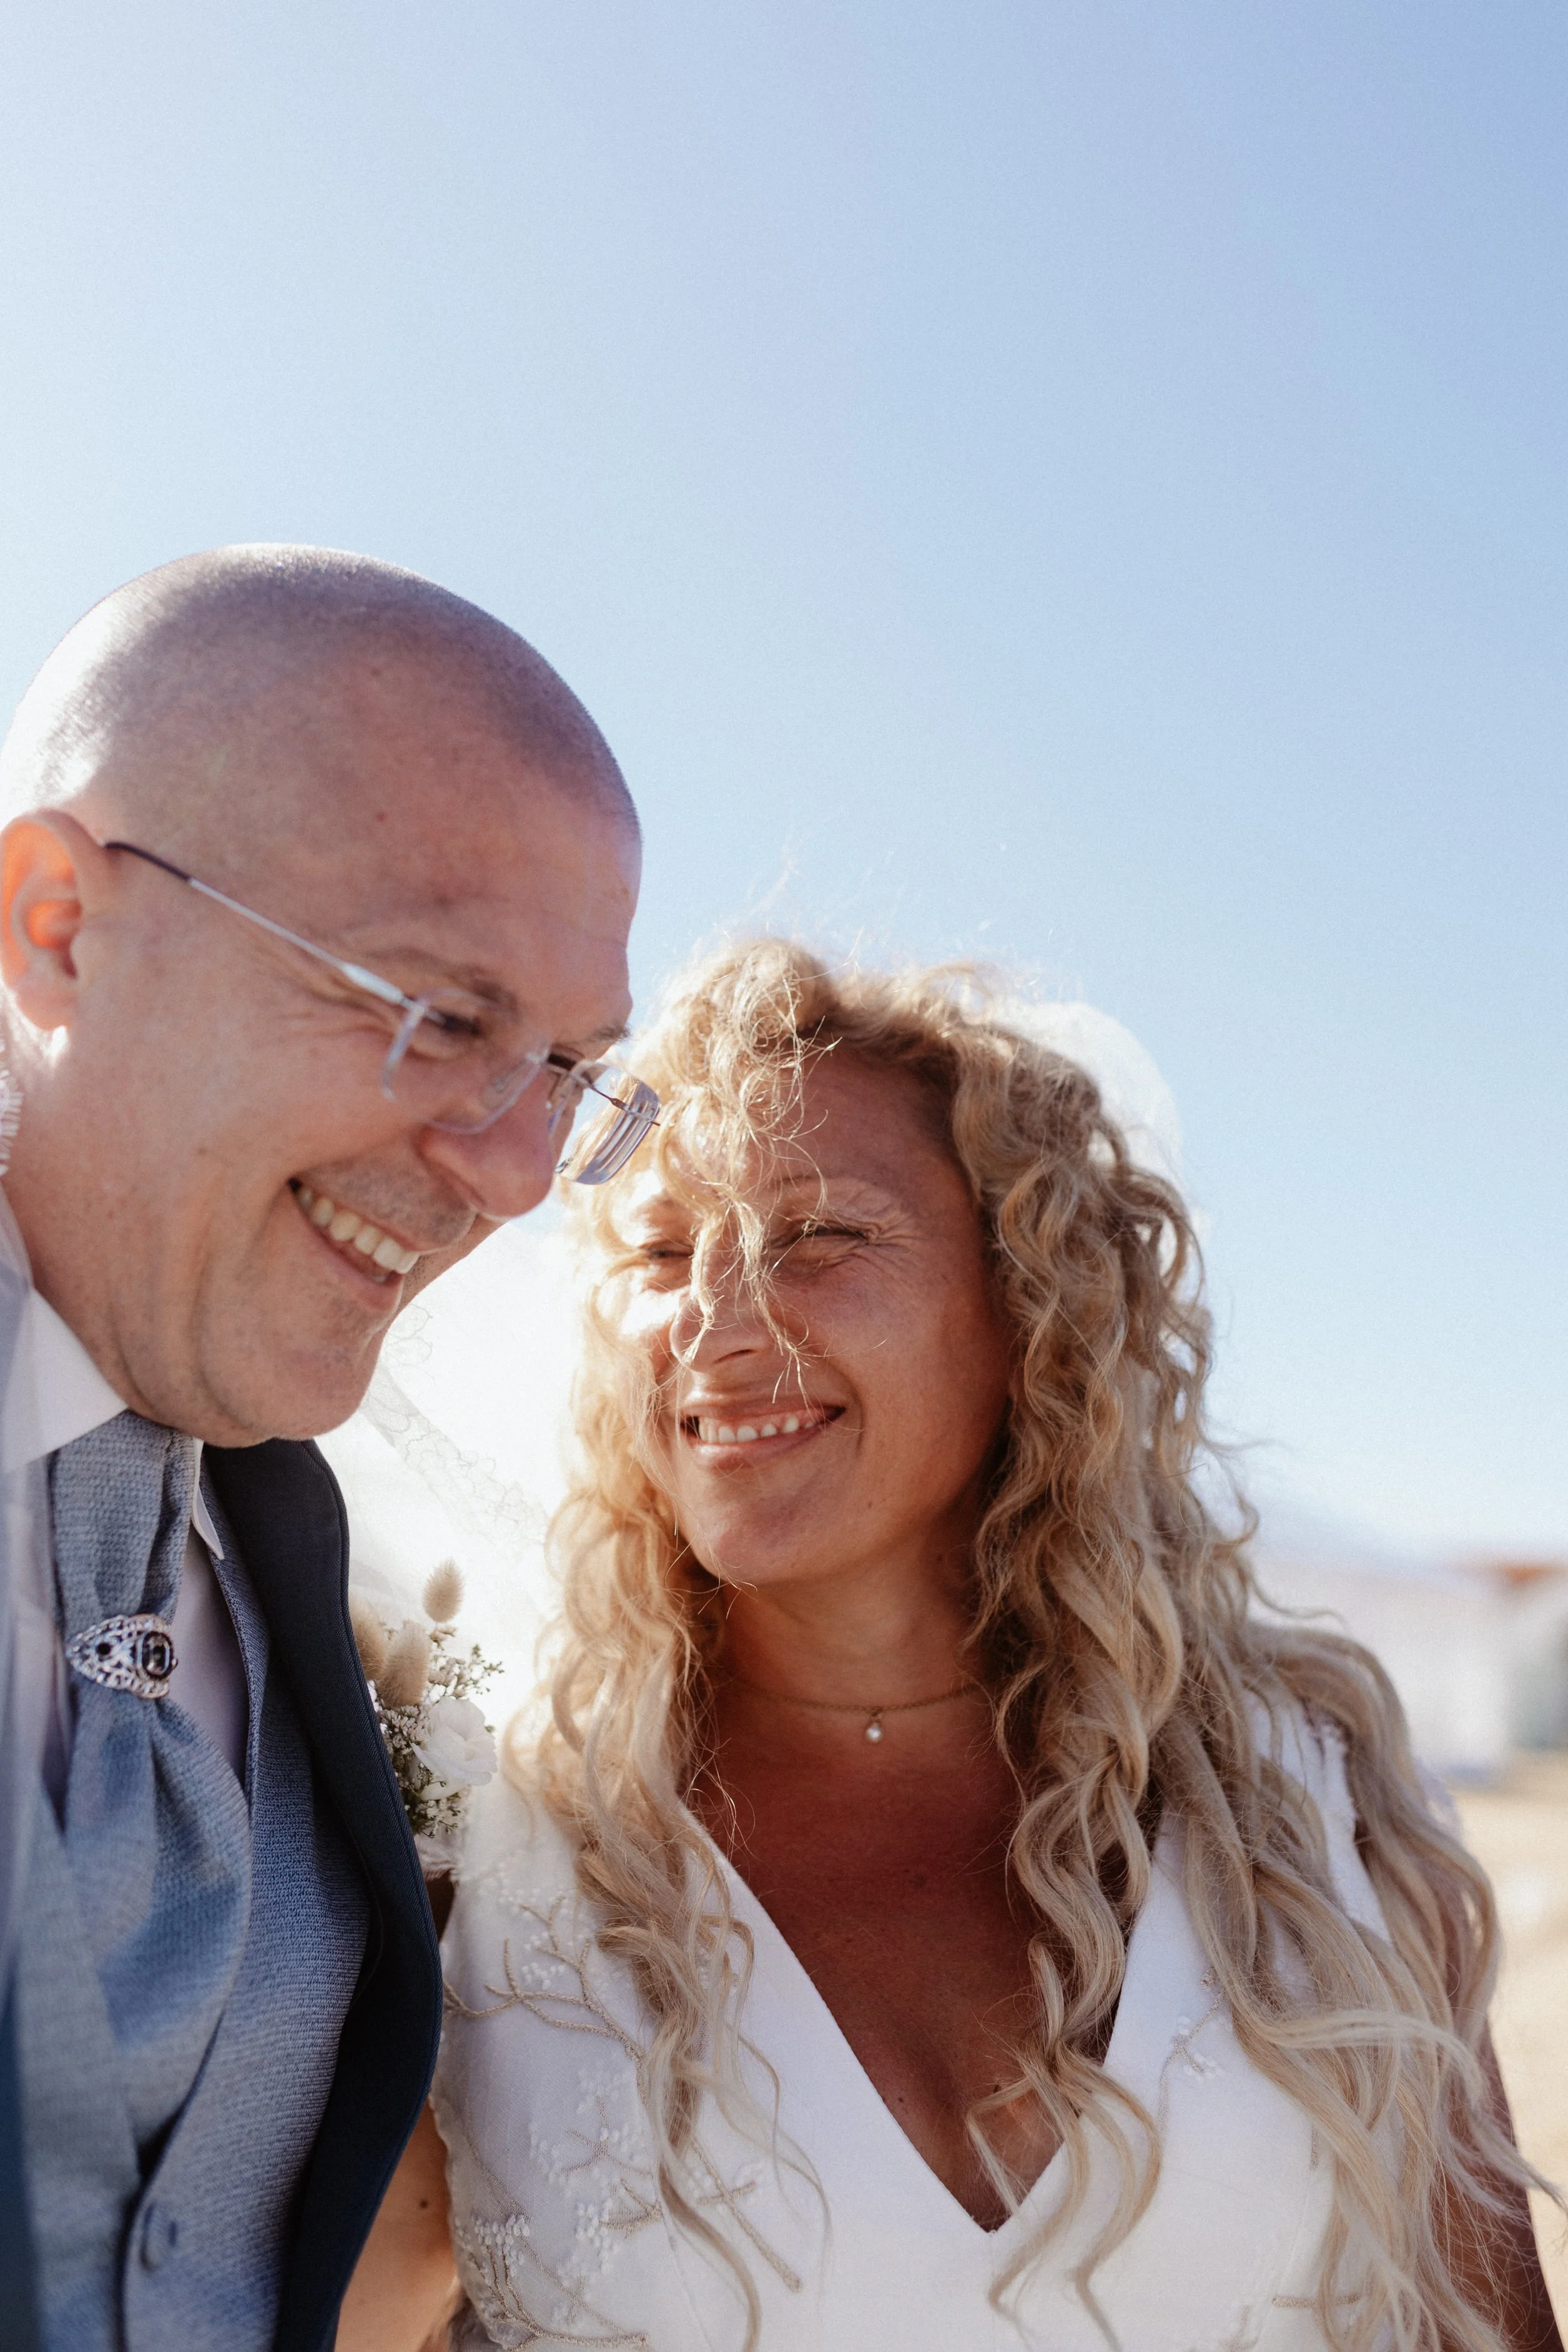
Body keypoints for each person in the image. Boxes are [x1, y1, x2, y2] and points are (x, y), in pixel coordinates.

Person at [371, 938, 1561, 2352]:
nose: (714, 1323)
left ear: (1027, 1311)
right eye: (661, 1251)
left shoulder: (1312, 1811)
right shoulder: (480, 1852)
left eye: (817, 1237)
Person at [0, 543, 647, 2352]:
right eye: (440, 1012)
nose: (519, 1175)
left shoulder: (317, 1559)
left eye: (569, 1071)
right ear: (59, 923)